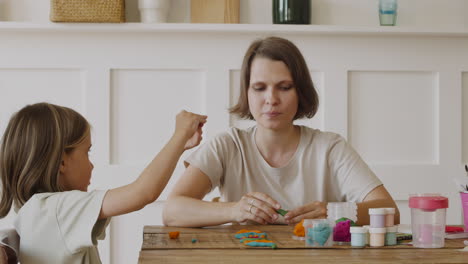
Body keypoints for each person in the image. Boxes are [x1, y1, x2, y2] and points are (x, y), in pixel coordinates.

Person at [163, 36, 399, 227]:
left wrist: (333, 211)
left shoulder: (329, 147)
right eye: (259, 88)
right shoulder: (227, 145)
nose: (271, 99)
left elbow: (390, 212)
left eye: (284, 88)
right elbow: (172, 212)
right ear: (247, 93)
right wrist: (234, 210)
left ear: (300, 92)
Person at [0, 102, 207, 264]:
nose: (91, 165)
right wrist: (179, 136)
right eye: (87, 152)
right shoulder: (56, 209)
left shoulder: (37, 210)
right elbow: (142, 193)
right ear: (62, 162)